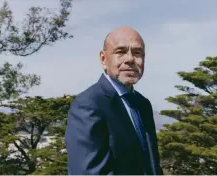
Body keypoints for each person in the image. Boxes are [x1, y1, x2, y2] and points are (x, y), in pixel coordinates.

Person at [65, 26, 163, 175]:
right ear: (103, 59)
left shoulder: (143, 104)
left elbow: (151, 165)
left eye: (137, 53)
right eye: (120, 52)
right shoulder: (89, 104)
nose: (130, 59)